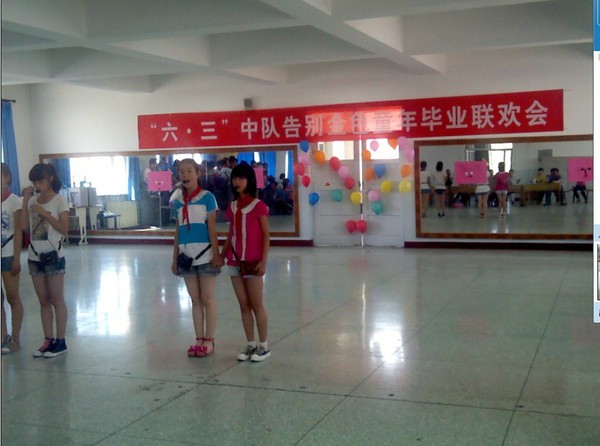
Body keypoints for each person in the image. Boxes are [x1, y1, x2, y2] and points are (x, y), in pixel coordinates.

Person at [170, 158, 223, 358]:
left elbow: (212, 228)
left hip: (206, 255)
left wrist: (216, 254)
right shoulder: (177, 202)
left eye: (189, 171)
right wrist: (175, 258)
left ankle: (209, 340)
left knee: (208, 298)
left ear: (198, 173)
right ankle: (199, 338)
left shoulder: (208, 198)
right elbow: (178, 231)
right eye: (181, 171)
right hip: (186, 257)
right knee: (195, 299)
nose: (185, 175)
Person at [221, 162, 271, 362]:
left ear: (250, 180)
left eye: (241, 178)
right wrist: (221, 255)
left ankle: (264, 346)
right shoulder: (232, 207)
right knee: (243, 305)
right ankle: (250, 344)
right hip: (234, 263)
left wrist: (263, 261)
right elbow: (231, 234)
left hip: (253, 262)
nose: (237, 181)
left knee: (256, 305)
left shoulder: (258, 206)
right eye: (235, 178)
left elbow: (266, 236)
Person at [21, 163, 69, 358]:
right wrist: (26, 201)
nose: (37, 185)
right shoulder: (32, 201)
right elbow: (23, 226)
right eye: (34, 182)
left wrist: (44, 214)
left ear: (50, 179)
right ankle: (47, 340)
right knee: (43, 300)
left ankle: (61, 341)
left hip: (54, 256)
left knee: (57, 299)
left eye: (40, 181)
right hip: (34, 256)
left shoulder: (60, 200)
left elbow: (64, 229)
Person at [1, 163, 24, 354]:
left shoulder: (15, 201)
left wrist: (17, 258)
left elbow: (18, 231)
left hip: (8, 254)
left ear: (7, 178)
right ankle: (3, 336)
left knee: (12, 296)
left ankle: (15, 337)